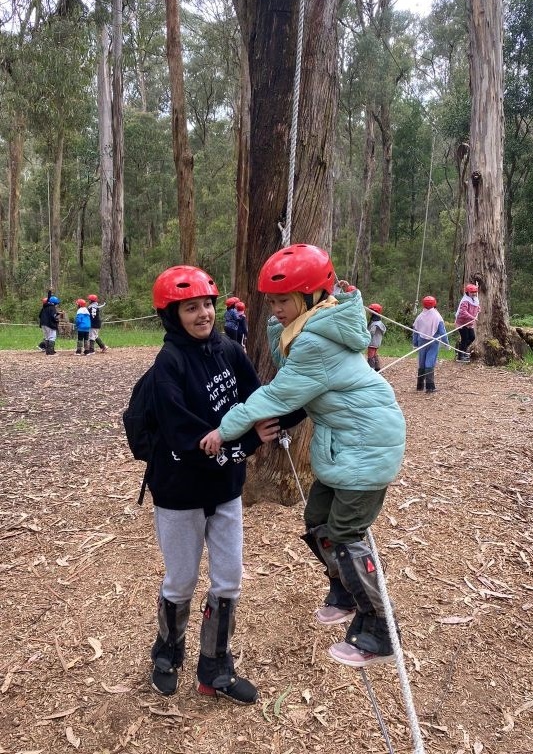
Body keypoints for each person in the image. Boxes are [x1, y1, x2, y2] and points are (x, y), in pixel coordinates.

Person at [200, 244, 406, 669]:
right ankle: (345, 591)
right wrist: (282, 324)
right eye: (271, 301)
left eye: (282, 301)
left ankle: (379, 629)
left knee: (346, 534)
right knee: (317, 520)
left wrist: (225, 428)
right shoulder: (316, 325)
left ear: (312, 298)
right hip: (349, 442)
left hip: (367, 445)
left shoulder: (315, 341)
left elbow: (275, 394)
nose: (274, 309)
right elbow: (285, 357)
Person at [144, 265, 281, 703]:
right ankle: (166, 653)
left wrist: (272, 418)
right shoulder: (169, 363)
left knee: (228, 581)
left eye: (206, 304)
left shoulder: (228, 349)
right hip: (180, 492)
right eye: (190, 307)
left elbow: (256, 396)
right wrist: (245, 442)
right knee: (181, 581)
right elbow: (189, 438)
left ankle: (215, 669)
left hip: (224, 490)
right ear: (172, 314)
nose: (203, 314)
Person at [412, 296, 449, 393]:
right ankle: (430, 387)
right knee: (430, 363)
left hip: (421, 342)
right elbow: (443, 332)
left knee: (422, 363)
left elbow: (415, 331)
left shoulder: (420, 317)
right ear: (434, 304)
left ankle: (419, 386)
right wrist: (446, 343)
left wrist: (415, 343)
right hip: (433, 343)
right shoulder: (437, 317)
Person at [455, 283, 480, 362]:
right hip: (462, 322)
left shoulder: (475, 299)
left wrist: (478, 309)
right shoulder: (465, 301)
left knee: (472, 337)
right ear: (468, 292)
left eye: (475, 292)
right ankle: (460, 355)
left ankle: (462, 350)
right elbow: (463, 312)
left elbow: (476, 306)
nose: (474, 294)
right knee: (465, 338)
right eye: (472, 292)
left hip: (469, 323)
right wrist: (473, 317)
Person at [367, 303, 386, 371]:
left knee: (370, 355)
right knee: (374, 354)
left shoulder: (375, 324)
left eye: (371, 310)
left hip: (372, 342)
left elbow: (371, 332)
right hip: (376, 342)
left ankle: (371, 369)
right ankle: (377, 367)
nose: (369, 312)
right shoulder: (379, 323)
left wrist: (365, 335)